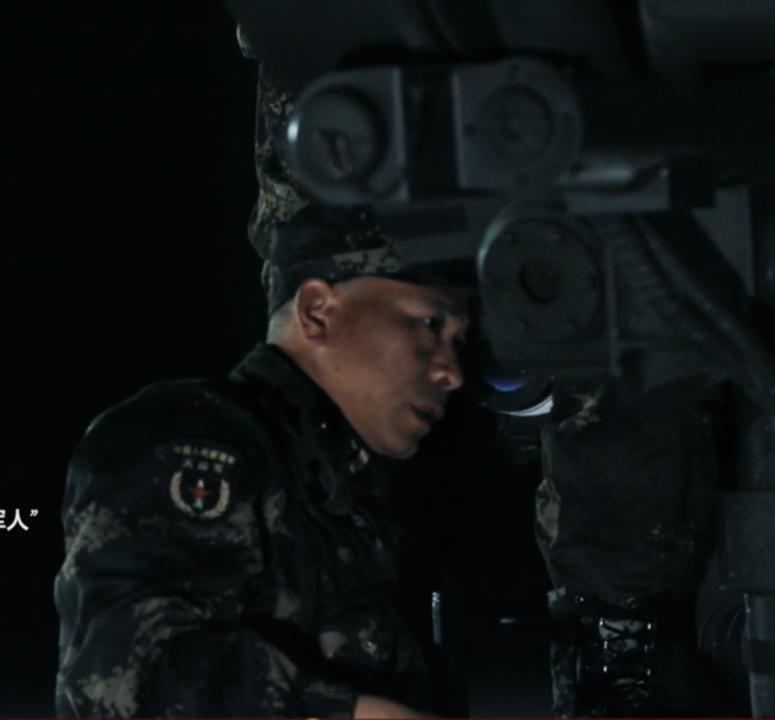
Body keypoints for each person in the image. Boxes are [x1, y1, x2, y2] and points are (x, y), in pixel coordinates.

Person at [53, 202, 475, 718]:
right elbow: (132, 674)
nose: (451, 371)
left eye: (458, 341)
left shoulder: (360, 495)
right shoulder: (193, 438)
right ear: (317, 311)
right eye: (429, 323)